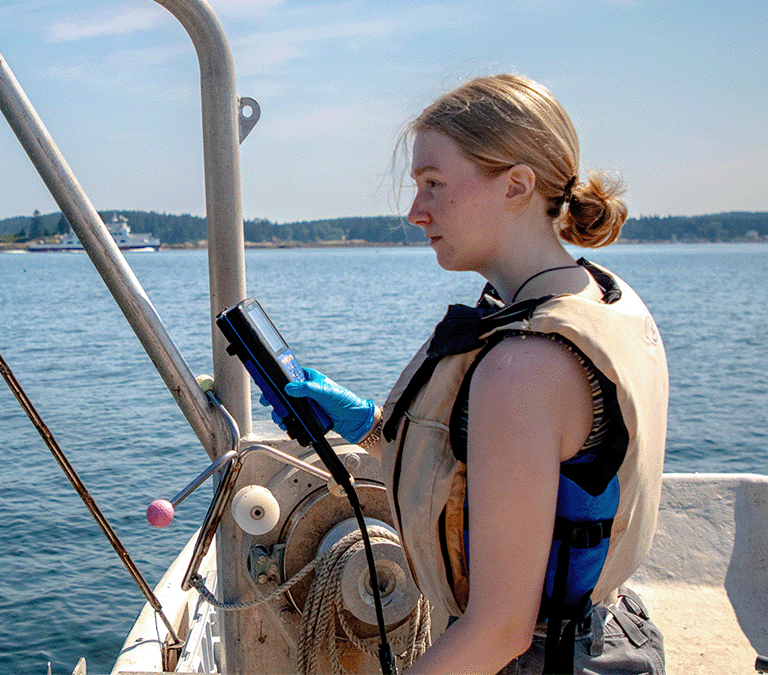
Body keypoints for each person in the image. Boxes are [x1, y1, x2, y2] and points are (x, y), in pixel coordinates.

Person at [279, 74, 668, 674]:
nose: (415, 212)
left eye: (433, 183)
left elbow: (499, 632)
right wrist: (371, 428)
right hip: (608, 631)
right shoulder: (600, 298)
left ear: (517, 185)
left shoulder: (523, 368)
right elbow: (517, 474)